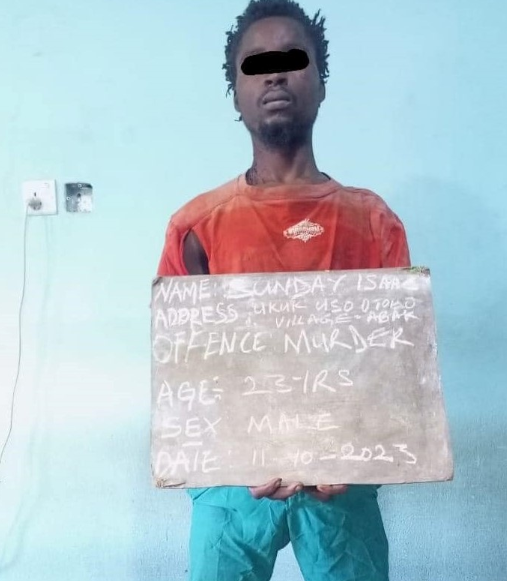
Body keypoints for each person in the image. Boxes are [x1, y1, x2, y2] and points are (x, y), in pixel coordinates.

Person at [157, 1, 410, 579]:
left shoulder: (373, 222)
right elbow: (183, 369)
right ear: (236, 92)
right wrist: (234, 450)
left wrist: (353, 452)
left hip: (342, 479)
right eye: (256, 64)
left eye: (292, 59)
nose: (274, 75)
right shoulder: (197, 226)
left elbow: (395, 364)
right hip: (230, 484)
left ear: (321, 83)